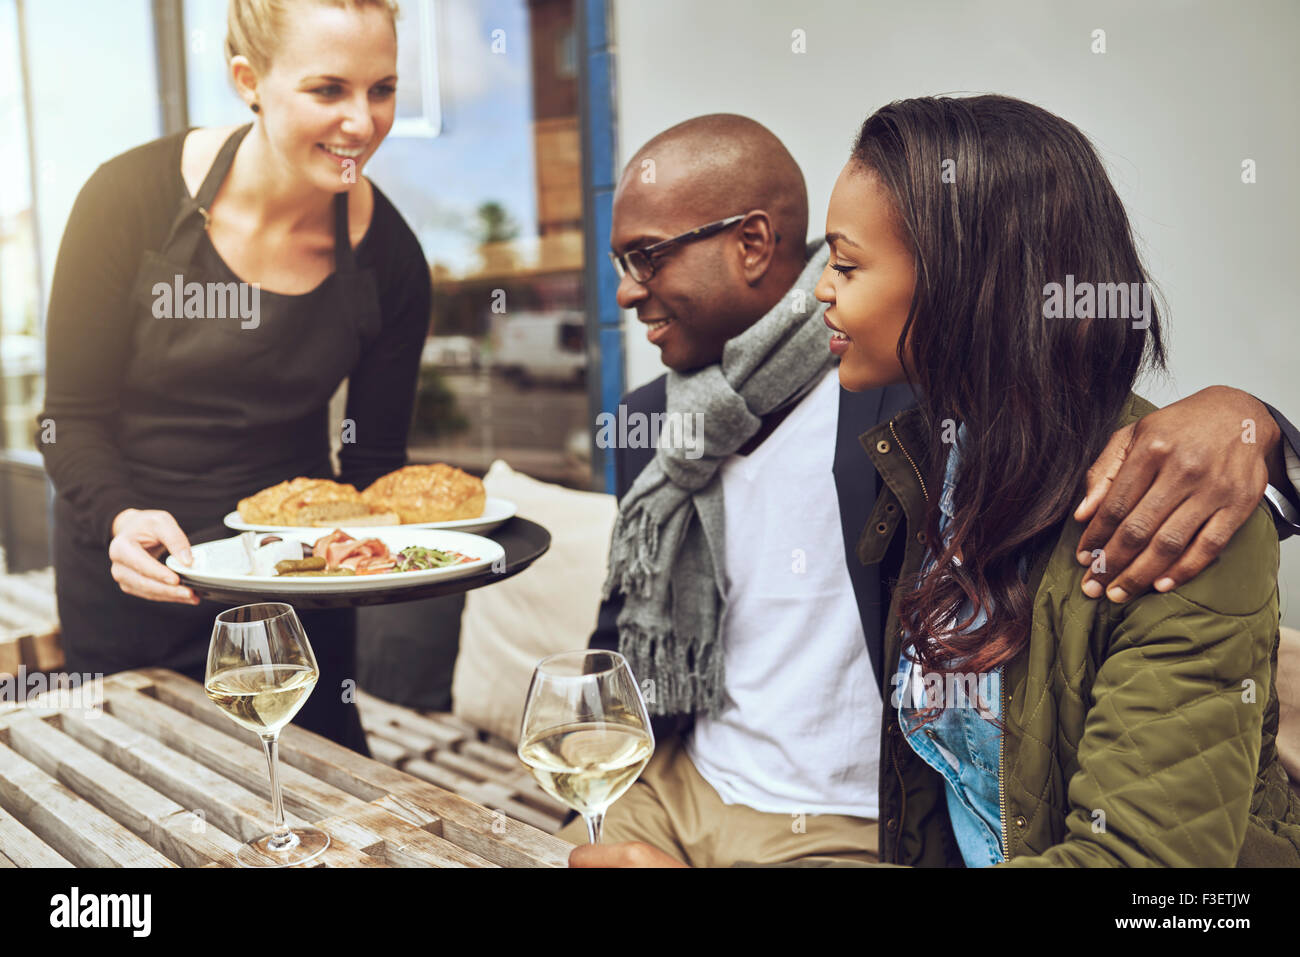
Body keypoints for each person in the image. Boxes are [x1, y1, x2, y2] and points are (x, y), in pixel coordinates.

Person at [564, 112, 1300, 867]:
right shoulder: (928, 463)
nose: (818, 289)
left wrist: (1258, 429)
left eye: (845, 266)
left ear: (966, 287)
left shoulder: (1143, 508)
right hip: (694, 789)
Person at [37, 0, 430, 754]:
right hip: (136, 576)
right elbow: (69, 418)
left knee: (314, 797)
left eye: (381, 89)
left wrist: (409, 549)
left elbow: (374, 468)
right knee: (141, 805)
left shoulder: (392, 260)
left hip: (293, 591)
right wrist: (120, 516)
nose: (363, 121)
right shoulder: (127, 202)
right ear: (249, 80)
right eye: (328, 90)